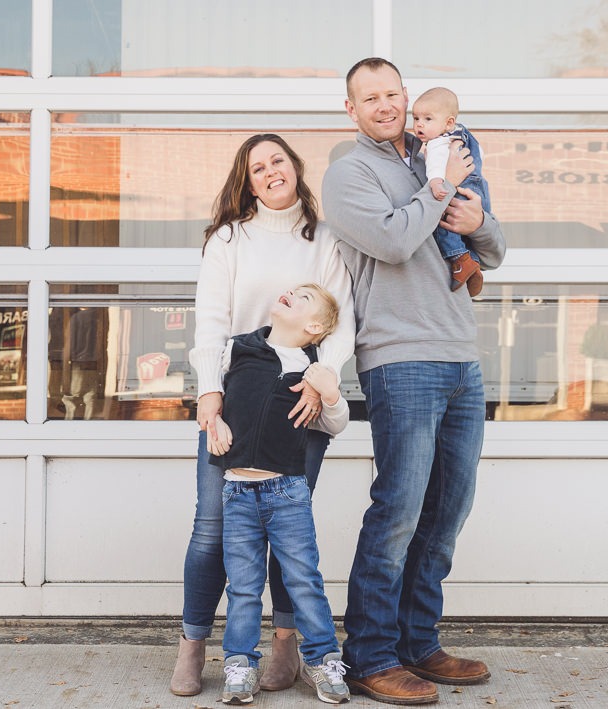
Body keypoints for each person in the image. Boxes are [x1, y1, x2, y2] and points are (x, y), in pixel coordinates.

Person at [322, 58, 507, 705]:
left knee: (447, 509)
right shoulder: (349, 171)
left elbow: (494, 248)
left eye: (392, 92)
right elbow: (393, 240)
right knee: (398, 509)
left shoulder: (433, 154)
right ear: (351, 108)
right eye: (368, 97)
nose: (384, 104)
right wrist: (437, 192)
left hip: (461, 352)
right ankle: (370, 655)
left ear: (406, 95)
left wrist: (474, 217)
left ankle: (417, 642)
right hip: (400, 356)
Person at [171, 134, 356, 698]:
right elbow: (211, 319)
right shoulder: (229, 238)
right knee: (212, 531)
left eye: (278, 159)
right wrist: (208, 394)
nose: (271, 171)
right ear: (246, 181)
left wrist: (328, 375)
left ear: (294, 167)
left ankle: (285, 649)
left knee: (288, 535)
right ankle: (194, 645)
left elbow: (341, 318)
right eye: (258, 167)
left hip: (298, 404)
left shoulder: (324, 239)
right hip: (234, 403)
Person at [208, 284, 352, 705]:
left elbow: (335, 423)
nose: (292, 293)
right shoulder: (237, 350)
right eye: (293, 290)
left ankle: (324, 659)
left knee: (304, 580)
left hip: (287, 492)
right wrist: (214, 423)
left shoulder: (312, 367)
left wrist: (330, 392)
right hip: (236, 492)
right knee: (244, 586)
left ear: (314, 326)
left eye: (305, 296)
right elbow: (209, 398)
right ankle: (239, 663)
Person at [410, 86, 492, 297]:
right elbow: (480, 154)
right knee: (466, 228)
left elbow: (436, 167)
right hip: (477, 191)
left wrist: (438, 183)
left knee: (442, 223)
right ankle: (472, 260)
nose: (419, 124)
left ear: (448, 122)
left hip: (457, 191)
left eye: (428, 119)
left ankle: (460, 259)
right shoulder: (464, 136)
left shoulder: (437, 142)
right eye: (416, 118)